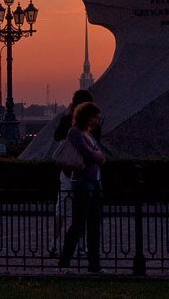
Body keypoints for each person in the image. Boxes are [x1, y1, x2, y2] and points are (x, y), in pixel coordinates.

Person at [57, 101, 106, 274]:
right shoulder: (75, 132)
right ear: (87, 116)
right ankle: (64, 263)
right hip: (82, 182)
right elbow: (88, 154)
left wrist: (97, 156)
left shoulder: (88, 135)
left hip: (94, 181)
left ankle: (94, 265)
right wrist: (97, 155)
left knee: (94, 225)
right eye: (95, 117)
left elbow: (100, 156)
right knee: (78, 224)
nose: (97, 120)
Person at [49, 89, 97, 256]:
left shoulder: (67, 120)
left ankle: (55, 245)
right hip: (83, 171)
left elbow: (57, 137)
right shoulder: (89, 124)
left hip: (68, 171)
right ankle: (81, 246)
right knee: (83, 209)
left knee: (62, 209)